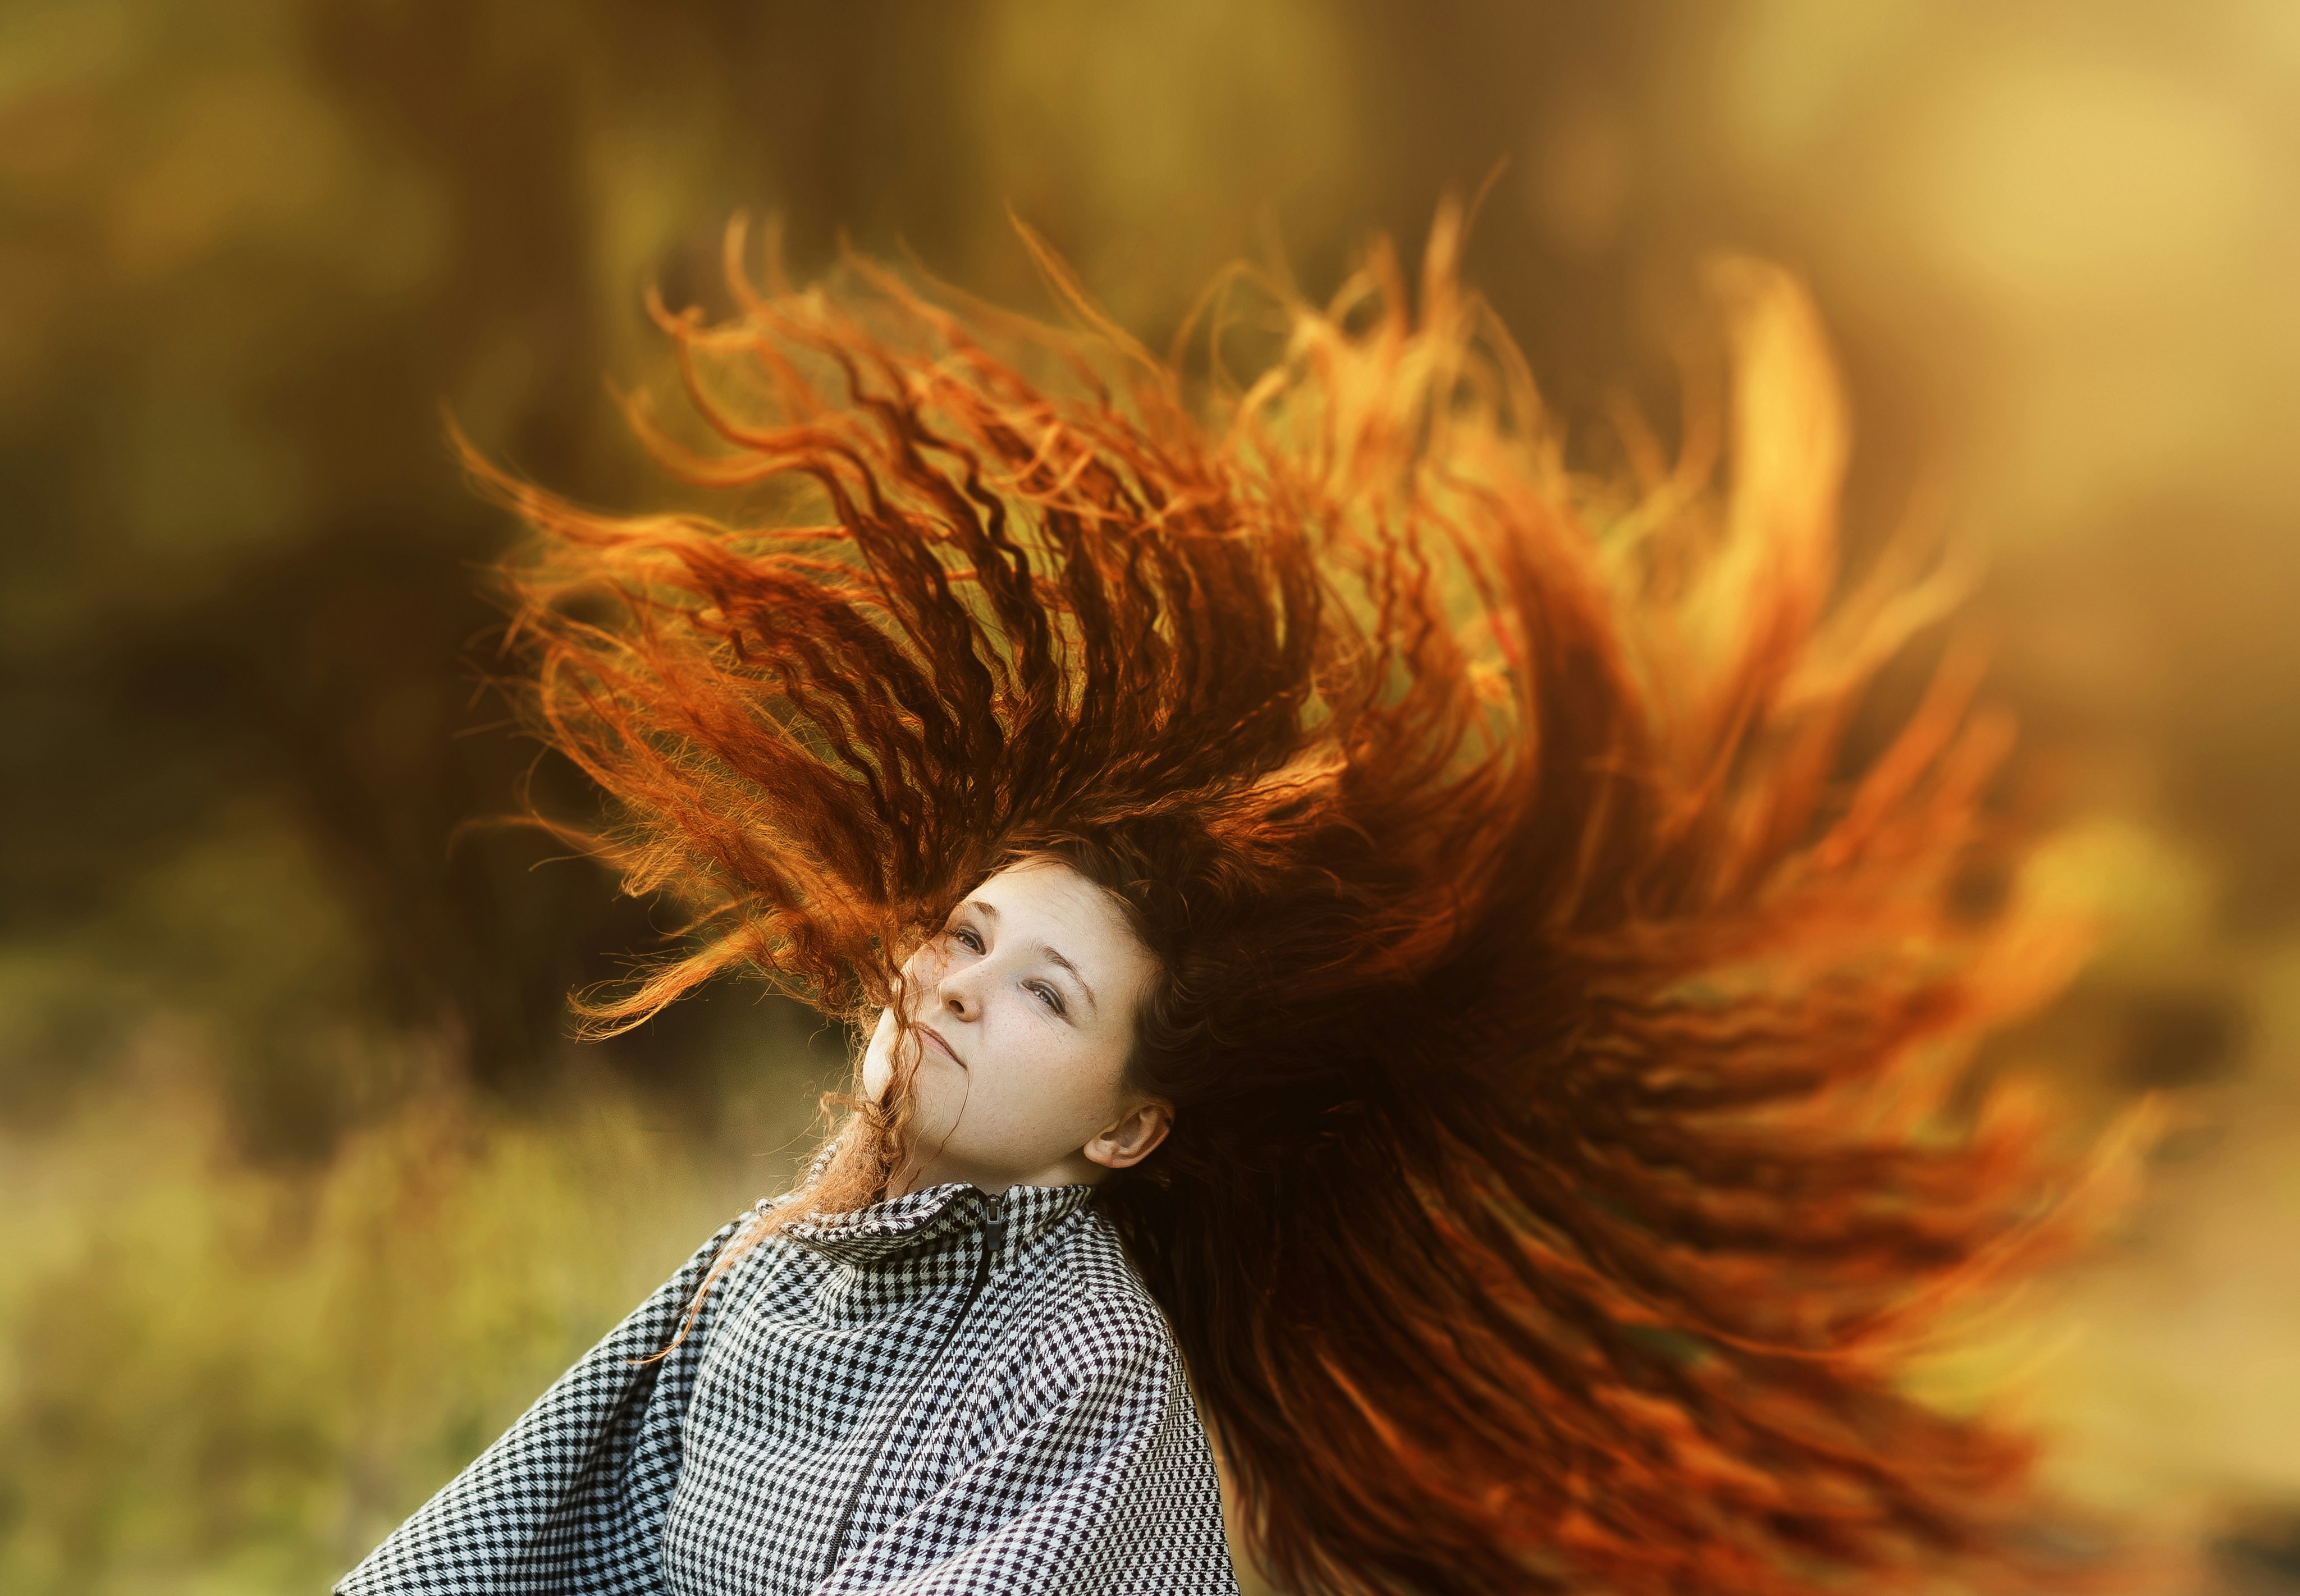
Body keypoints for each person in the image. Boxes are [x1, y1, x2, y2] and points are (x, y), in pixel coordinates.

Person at [340, 207, 2106, 1596]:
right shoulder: (759, 1274)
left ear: (1128, 1122)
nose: (959, 987)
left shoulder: (1083, 1365)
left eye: (1043, 993)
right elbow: (505, 1541)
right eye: (961, 939)